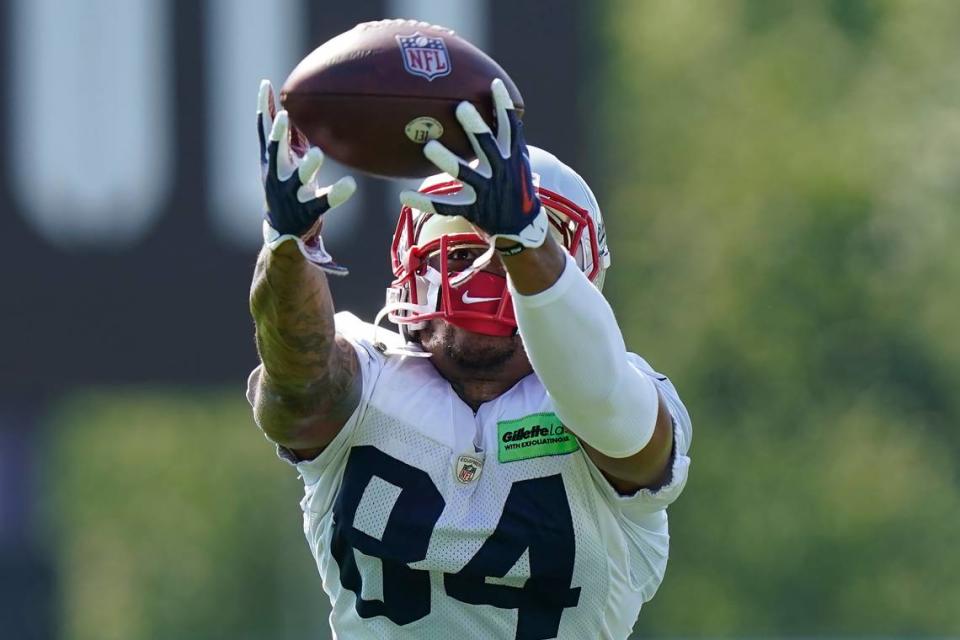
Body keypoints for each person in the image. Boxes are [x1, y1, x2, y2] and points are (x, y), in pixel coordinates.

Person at [247, 77, 692, 640]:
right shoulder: (369, 376)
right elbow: (296, 389)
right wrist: (288, 246)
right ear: (414, 265)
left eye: (503, 253)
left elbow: (603, 400)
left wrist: (525, 239)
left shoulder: (615, 395)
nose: (481, 273)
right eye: (459, 252)